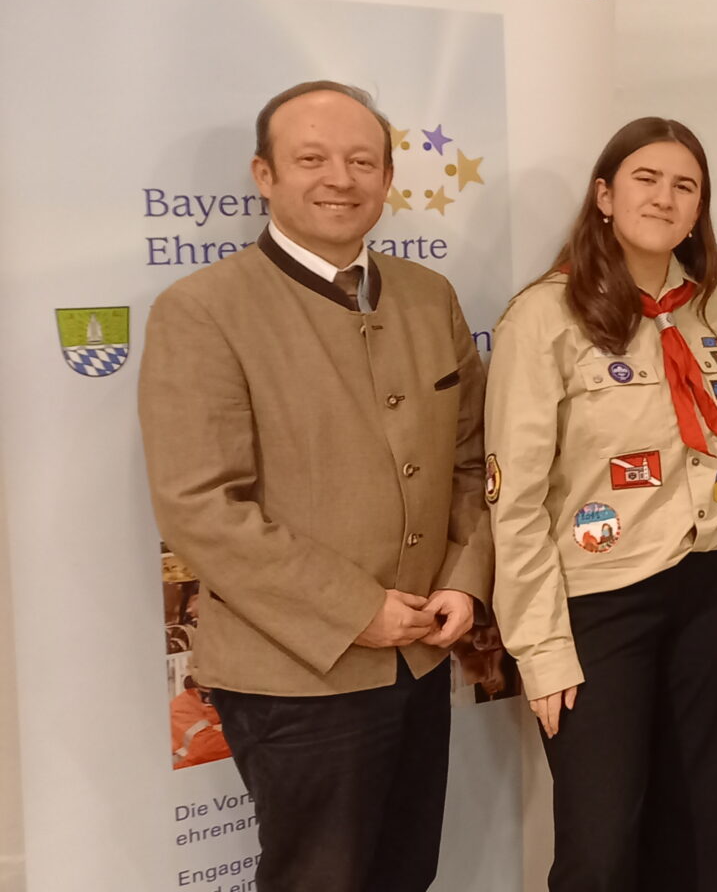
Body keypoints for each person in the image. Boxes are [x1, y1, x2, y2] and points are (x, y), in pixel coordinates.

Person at [138, 80, 490, 891]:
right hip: (297, 675)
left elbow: (473, 462)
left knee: (407, 873)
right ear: (264, 175)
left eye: (362, 160)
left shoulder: (428, 297)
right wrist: (353, 609)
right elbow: (200, 505)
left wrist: (464, 581)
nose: (341, 177)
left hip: (421, 662)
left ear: (388, 179)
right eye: (312, 158)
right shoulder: (202, 310)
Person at [486, 117, 717, 890]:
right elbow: (517, 501)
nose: (665, 198)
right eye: (646, 178)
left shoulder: (708, 308)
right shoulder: (544, 315)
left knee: (701, 827)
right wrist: (539, 648)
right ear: (604, 194)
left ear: (699, 209)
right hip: (601, 602)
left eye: (685, 186)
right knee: (602, 845)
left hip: (711, 583)